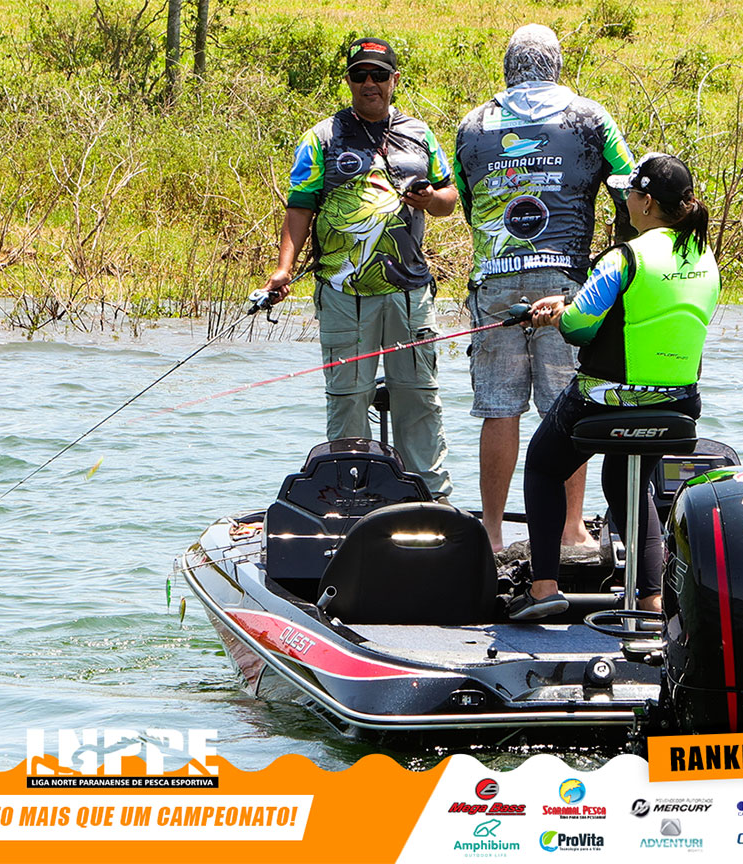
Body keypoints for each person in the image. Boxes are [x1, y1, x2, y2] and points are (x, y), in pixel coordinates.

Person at [509, 153, 719, 620]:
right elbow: (646, 312)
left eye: (630, 194)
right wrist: (570, 301)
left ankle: (543, 589)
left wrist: (556, 316)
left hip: (608, 398)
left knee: (543, 466)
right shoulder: (704, 256)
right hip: (679, 404)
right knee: (624, 482)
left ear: (646, 202)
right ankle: (651, 598)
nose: (625, 201)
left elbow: (579, 326)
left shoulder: (625, 256)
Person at [452, 24, 635, 552]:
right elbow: (628, 189)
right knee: (566, 406)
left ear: (508, 66)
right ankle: (571, 530)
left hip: (494, 278)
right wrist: (618, 260)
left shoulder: (472, 125)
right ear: (556, 65)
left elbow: (469, 201)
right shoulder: (590, 117)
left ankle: (491, 532)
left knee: (498, 408)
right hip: (566, 283)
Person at [262, 37, 457, 499]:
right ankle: (350, 496)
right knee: (348, 400)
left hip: (409, 293)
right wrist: (284, 269)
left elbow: (449, 197)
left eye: (379, 75)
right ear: (349, 81)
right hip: (342, 294)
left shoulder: (420, 133)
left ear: (394, 80)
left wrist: (430, 198)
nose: (370, 83)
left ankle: (429, 498)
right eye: (360, 75)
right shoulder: (322, 138)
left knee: (419, 396)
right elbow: (300, 206)